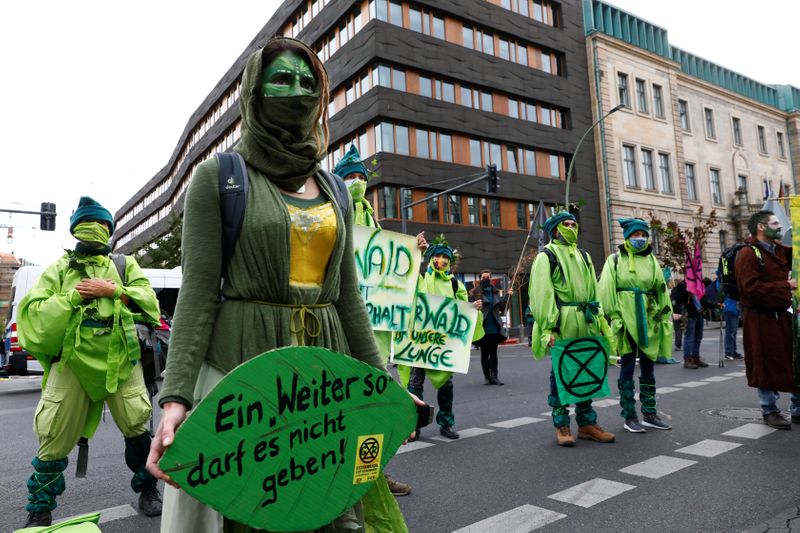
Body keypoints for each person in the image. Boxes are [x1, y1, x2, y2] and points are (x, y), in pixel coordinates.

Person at [147, 38, 414, 532]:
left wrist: (383, 382)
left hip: (324, 371)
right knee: (252, 507)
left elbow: (346, 295)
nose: (298, 90)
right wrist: (175, 400)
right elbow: (199, 295)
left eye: (308, 82)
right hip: (244, 365)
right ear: (254, 91)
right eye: (283, 79)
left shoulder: (335, 188)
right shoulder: (219, 177)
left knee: (328, 502)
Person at [17, 196, 162, 527]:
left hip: (122, 359)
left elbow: (150, 305)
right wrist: (73, 296)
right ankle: (40, 506)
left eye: (100, 225)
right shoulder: (58, 269)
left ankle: (148, 490)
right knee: (53, 432)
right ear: (74, 231)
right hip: (71, 362)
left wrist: (112, 290)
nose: (93, 231)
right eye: (87, 225)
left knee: (138, 425)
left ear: (109, 230)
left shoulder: (126, 265)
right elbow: (32, 314)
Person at [333, 143, 419, 499]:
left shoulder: (373, 220)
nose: (356, 183)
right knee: (344, 408)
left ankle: (375, 476)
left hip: (375, 332)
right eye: (349, 177)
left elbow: (389, 272)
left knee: (371, 407)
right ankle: (341, 479)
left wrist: (414, 255)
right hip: (342, 326)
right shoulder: (334, 213)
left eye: (360, 177)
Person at [529, 211, 615, 447]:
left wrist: (598, 322)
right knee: (561, 372)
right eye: (565, 224)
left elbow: (594, 291)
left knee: (586, 371)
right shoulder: (546, 257)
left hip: (586, 321)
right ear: (555, 230)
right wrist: (547, 329)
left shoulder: (584, 255)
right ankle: (562, 424)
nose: (570, 227)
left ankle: (587, 424)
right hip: (563, 323)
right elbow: (541, 295)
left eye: (573, 224)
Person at [400, 235, 481, 440]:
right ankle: (413, 424)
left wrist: (473, 309)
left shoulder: (456, 284)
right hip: (420, 341)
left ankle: (446, 423)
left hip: (444, 344)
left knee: (446, 385)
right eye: (437, 256)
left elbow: (463, 309)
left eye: (445, 258)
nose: (442, 261)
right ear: (429, 259)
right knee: (415, 384)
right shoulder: (420, 278)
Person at [599, 218, 674, 433]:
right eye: (635, 235)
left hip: (648, 317)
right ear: (627, 236)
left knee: (650, 365)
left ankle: (649, 413)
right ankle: (630, 416)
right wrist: (615, 316)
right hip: (626, 317)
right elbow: (606, 289)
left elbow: (661, 287)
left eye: (643, 235)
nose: (640, 238)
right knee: (628, 366)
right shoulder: (614, 260)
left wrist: (663, 312)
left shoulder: (651, 260)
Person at [736, 210, 800, 429]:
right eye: (775, 222)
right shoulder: (748, 254)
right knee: (763, 361)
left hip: (783, 316)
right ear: (761, 227)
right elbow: (750, 289)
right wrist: (785, 285)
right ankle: (769, 410)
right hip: (760, 319)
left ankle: (797, 408)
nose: (780, 226)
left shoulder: (779, 250)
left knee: (793, 359)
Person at [469, 270, 512, 385]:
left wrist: (508, 296)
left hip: (494, 327)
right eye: (483, 277)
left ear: (491, 278)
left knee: (493, 353)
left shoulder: (495, 292)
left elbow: (502, 307)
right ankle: (487, 377)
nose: (486, 279)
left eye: (488, 277)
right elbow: (469, 308)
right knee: (484, 353)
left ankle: (495, 376)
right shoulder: (474, 292)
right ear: (480, 278)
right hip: (482, 327)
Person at [671, 277, 708, 369]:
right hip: (689, 314)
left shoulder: (698, 282)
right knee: (689, 337)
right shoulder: (682, 285)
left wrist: (714, 304)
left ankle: (695, 357)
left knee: (698, 337)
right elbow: (676, 298)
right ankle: (687, 359)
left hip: (699, 313)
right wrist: (687, 290)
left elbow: (703, 299)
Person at [718, 272, 742, 360]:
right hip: (731, 305)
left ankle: (732, 351)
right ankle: (729, 352)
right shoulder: (729, 282)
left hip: (733, 305)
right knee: (730, 331)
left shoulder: (728, 281)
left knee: (733, 331)